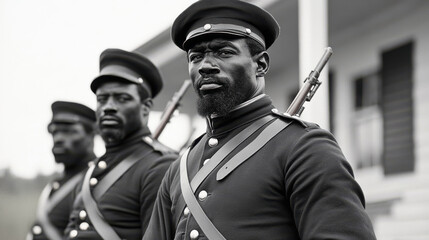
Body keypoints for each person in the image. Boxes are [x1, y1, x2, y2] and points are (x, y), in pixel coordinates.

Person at [143, 0, 377, 239]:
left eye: (224, 52)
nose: (205, 66)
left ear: (261, 65)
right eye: (196, 57)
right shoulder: (179, 170)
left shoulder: (304, 147)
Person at [64, 49, 177, 240]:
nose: (108, 106)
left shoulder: (160, 166)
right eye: (102, 99)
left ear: (146, 107)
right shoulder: (93, 170)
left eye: (122, 98)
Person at [27, 101, 97, 240]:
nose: (58, 138)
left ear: (91, 136)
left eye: (69, 132)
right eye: (55, 132)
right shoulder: (56, 184)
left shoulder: (96, 181)